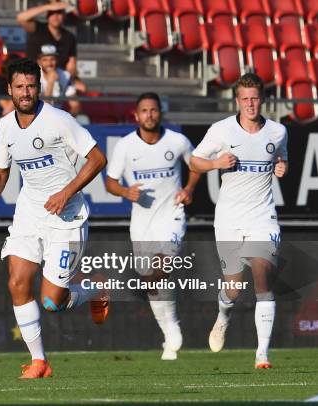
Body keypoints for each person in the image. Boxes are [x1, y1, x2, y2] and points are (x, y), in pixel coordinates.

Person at [0, 58, 108, 379]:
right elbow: (1, 170)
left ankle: (95, 289)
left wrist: (66, 192)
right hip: (29, 213)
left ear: (40, 87)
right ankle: (39, 362)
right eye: (19, 87)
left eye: (31, 86)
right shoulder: (5, 126)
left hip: (67, 217)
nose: (25, 92)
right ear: (9, 89)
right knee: (16, 282)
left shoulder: (59, 120)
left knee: (52, 302)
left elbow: (97, 159)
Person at [189, 73, 288, 369]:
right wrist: (215, 163)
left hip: (263, 218)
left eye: (255, 98)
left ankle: (262, 355)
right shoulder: (221, 130)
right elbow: (194, 161)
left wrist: (282, 166)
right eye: (245, 98)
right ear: (237, 100)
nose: (250, 104)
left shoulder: (278, 131)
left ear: (263, 99)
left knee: (262, 277)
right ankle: (223, 316)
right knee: (233, 288)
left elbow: (281, 158)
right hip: (229, 219)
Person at [105, 92, 201, 361]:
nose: (149, 115)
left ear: (161, 113)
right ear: (136, 115)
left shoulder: (177, 141)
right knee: (153, 281)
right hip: (141, 223)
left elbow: (196, 166)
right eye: (144, 110)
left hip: (171, 215)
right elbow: (110, 182)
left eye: (154, 110)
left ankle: (170, 328)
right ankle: (170, 329)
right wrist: (125, 192)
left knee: (162, 266)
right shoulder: (125, 146)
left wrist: (189, 188)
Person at [17, 1, 86, 92]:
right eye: (52, 13)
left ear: (64, 16)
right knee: (49, 81)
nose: (55, 17)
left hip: (59, 74)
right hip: (33, 74)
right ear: (47, 16)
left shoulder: (69, 37)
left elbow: (71, 64)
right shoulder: (38, 28)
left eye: (59, 13)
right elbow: (21, 18)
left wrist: (70, 79)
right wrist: (48, 7)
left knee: (81, 89)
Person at [37, 43, 81, 117]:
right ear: (39, 61)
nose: (49, 63)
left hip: (58, 118)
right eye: (45, 60)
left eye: (52, 59)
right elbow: (44, 109)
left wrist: (68, 120)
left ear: (57, 60)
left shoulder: (65, 75)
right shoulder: (33, 76)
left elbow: (75, 105)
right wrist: (51, 83)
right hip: (38, 117)